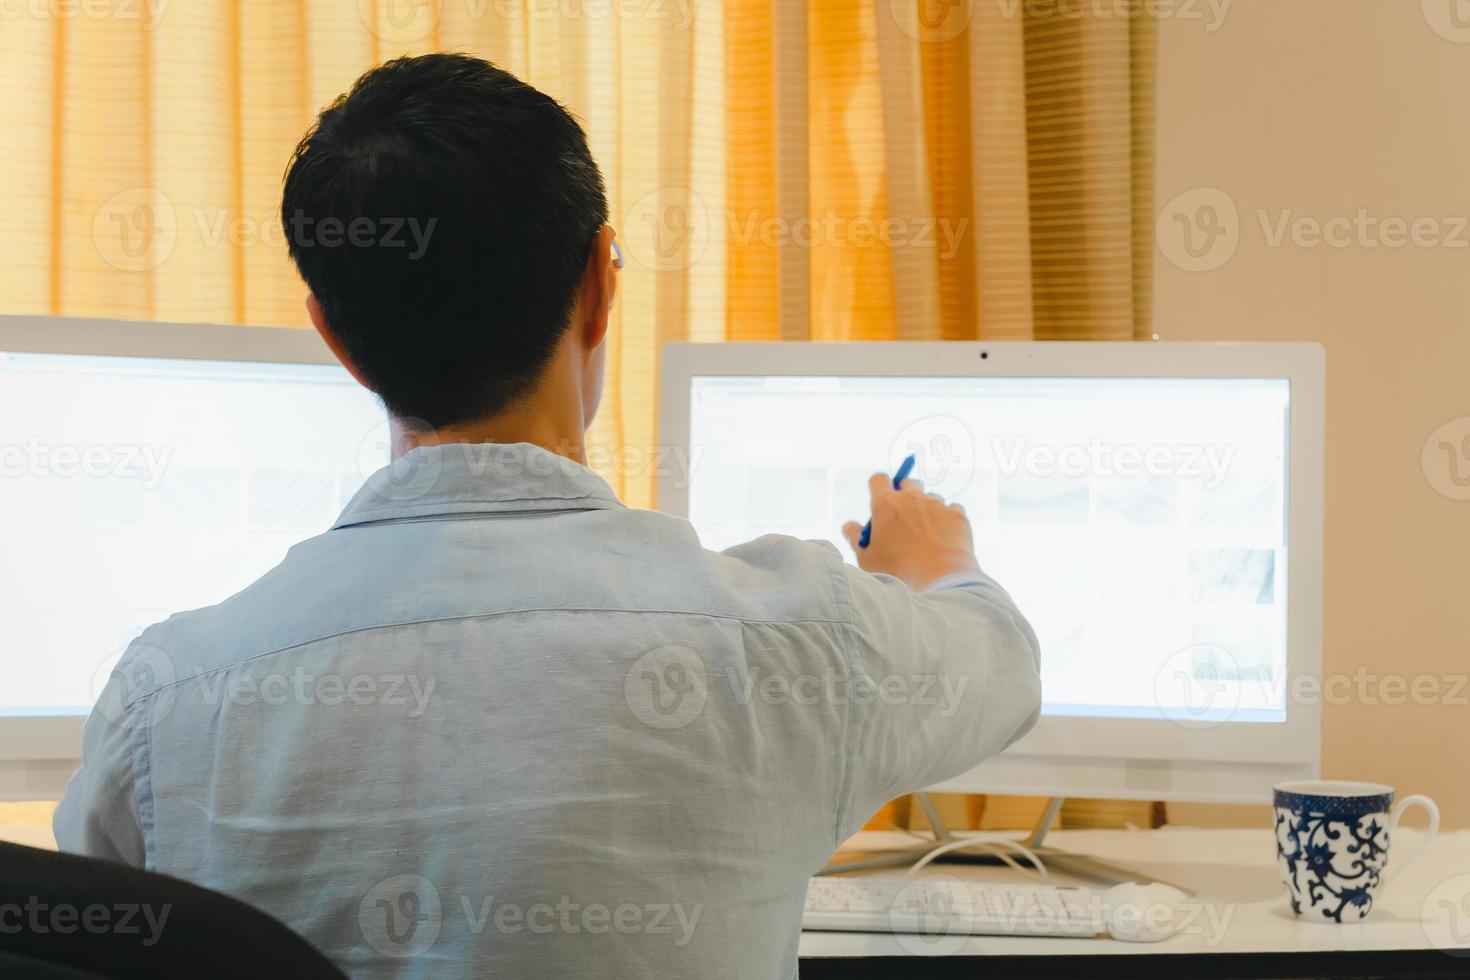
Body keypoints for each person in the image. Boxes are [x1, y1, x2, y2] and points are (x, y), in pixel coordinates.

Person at [55, 52, 1041, 979]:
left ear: (337, 338)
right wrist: (938, 558)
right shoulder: (798, 641)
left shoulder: (163, 699)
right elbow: (1001, 661)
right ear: (601, 284)